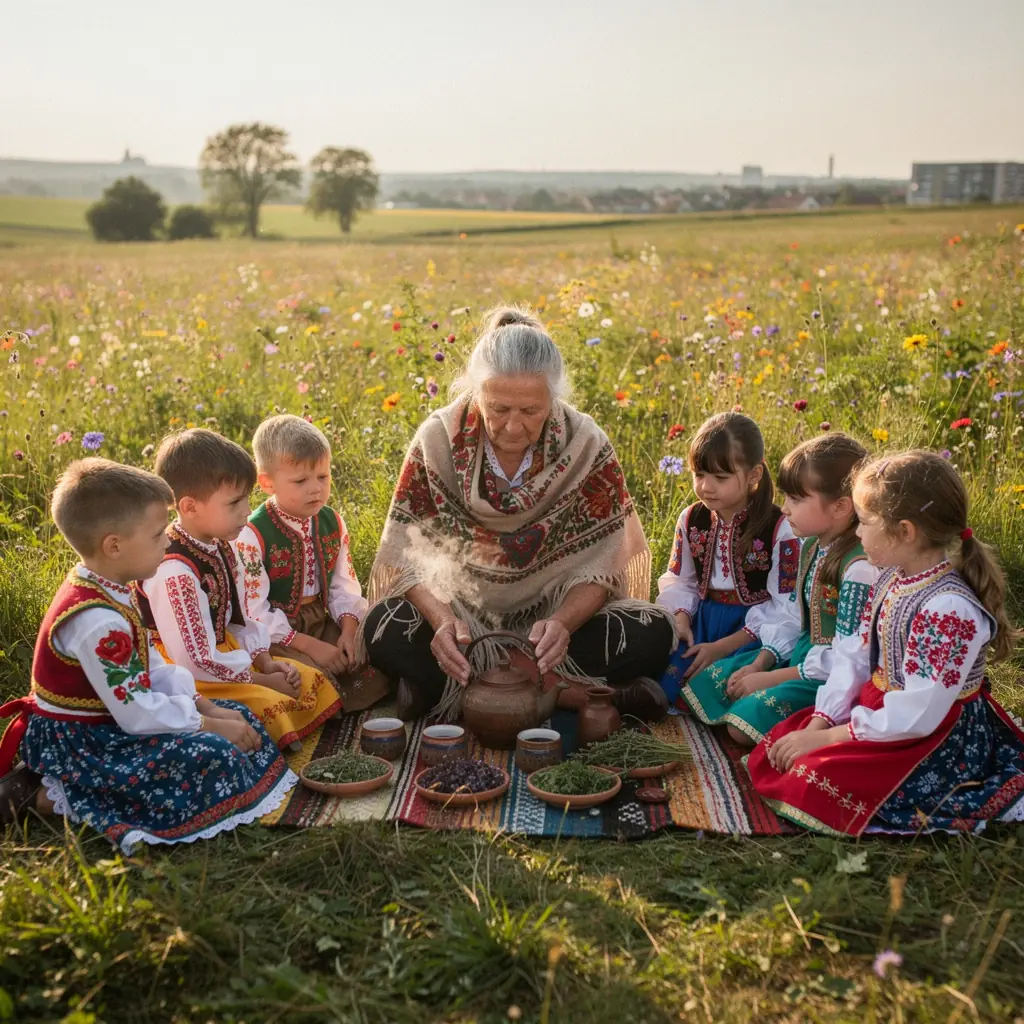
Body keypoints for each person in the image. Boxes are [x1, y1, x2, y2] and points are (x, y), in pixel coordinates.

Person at [362, 305, 675, 723]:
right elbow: (409, 557)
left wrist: (562, 624)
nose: (512, 427)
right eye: (498, 409)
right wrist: (443, 623)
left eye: (530, 411)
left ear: (555, 396)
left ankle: (457, 692)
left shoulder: (586, 444)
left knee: (650, 631)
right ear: (476, 394)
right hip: (464, 622)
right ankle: (573, 696)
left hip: (549, 625)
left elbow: (607, 561)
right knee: (384, 626)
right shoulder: (437, 438)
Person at [0, 458, 296, 850]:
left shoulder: (113, 587)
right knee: (211, 755)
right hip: (87, 740)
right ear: (115, 545)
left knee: (239, 716)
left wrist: (206, 707)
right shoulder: (95, 621)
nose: (169, 541)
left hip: (117, 719)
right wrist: (207, 727)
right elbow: (137, 712)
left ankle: (52, 787)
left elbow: (151, 665)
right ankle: (46, 795)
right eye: (158, 534)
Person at [747, 450, 1024, 835]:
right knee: (781, 744)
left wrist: (831, 736)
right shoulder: (891, 578)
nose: (857, 533)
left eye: (864, 522)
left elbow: (918, 712)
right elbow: (855, 657)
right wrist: (821, 719)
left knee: (815, 779)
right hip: (879, 710)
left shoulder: (948, 609)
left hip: (932, 734)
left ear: (905, 531)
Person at [137, 429, 342, 752]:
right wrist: (259, 679)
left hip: (226, 652)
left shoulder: (220, 545)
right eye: (234, 502)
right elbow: (194, 660)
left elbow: (239, 616)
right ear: (189, 507)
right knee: (263, 706)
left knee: (310, 681)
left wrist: (266, 661)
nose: (247, 511)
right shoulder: (175, 570)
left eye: (246, 498)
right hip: (190, 673)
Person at [681, 433, 876, 745]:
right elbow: (793, 618)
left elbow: (848, 660)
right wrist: (763, 660)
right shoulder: (811, 545)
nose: (784, 509)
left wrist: (771, 677)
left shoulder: (858, 569)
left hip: (829, 674)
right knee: (708, 682)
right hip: (799, 656)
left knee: (741, 725)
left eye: (796, 500)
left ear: (841, 507)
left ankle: (813, 723)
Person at [233, 415, 389, 712]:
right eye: (301, 481)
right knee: (309, 679)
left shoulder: (331, 521)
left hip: (322, 617)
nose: (315, 489)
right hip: (279, 631)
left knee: (371, 659)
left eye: (323, 477)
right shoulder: (253, 535)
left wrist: (348, 629)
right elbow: (254, 612)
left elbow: (344, 584)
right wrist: (309, 645)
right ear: (267, 483)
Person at [657, 412, 801, 711]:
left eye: (720, 478)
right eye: (699, 475)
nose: (706, 487)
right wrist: (681, 619)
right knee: (661, 669)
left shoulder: (778, 527)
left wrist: (723, 646)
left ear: (754, 475)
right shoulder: (691, 518)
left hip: (753, 632)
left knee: (720, 683)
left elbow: (785, 605)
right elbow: (680, 579)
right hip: (701, 621)